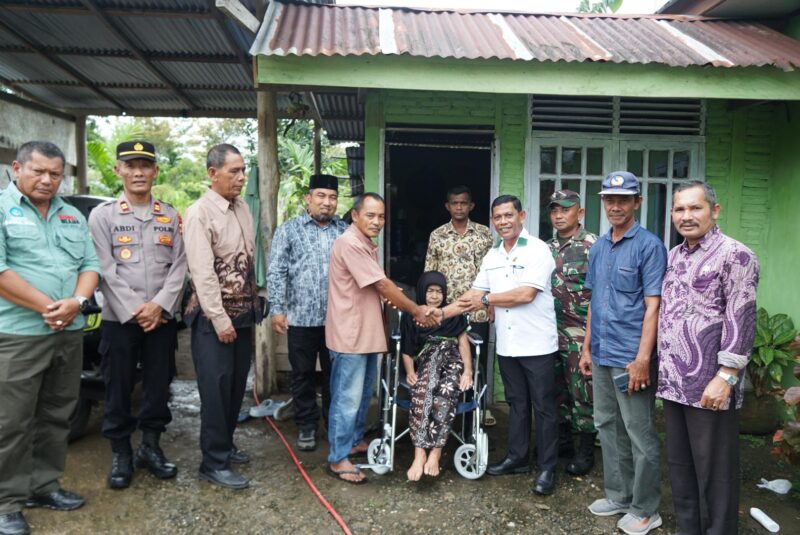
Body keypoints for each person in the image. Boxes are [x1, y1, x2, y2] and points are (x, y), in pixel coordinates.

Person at [0, 141, 100, 535]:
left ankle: (43, 486)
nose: (47, 180)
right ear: (17, 167)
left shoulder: (72, 216)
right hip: (20, 335)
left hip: (68, 332)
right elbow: (2, 273)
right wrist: (49, 307)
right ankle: (7, 501)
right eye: (38, 171)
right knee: (11, 421)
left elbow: (90, 265)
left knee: (57, 413)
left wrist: (77, 301)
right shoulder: (2, 211)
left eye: (55, 174)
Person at [657, 181, 758, 535]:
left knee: (715, 473)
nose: (686, 216)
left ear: (714, 211)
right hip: (674, 383)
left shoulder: (736, 255)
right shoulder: (674, 255)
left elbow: (741, 318)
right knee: (681, 466)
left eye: (695, 208)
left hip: (710, 386)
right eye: (679, 209)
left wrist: (726, 377)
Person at [89, 141, 187, 490]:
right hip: (120, 320)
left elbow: (180, 267)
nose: (138, 172)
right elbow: (105, 269)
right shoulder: (103, 216)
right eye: (130, 165)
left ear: (155, 171)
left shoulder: (171, 215)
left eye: (145, 165)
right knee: (118, 386)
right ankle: (121, 453)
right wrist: (137, 310)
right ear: (118, 170)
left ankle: (150, 447)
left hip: (161, 319)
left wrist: (160, 306)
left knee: (159, 385)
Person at [325, 192, 439, 484]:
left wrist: (391, 297)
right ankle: (338, 458)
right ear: (355, 215)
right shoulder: (350, 243)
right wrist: (415, 309)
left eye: (381, 216)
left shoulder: (366, 245)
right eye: (370, 215)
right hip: (350, 334)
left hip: (365, 332)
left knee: (363, 394)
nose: (377, 222)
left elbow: (378, 287)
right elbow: (381, 284)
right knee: (346, 399)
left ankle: (352, 442)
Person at [452, 194, 559, 496]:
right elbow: (474, 292)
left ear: (521, 216)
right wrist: (438, 313)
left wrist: (486, 300)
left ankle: (548, 467)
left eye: (508, 215)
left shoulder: (539, 250)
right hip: (508, 346)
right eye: (497, 217)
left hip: (537, 344)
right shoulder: (493, 256)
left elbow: (525, 295)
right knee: (517, 404)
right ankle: (517, 458)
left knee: (545, 408)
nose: (503, 222)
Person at [578, 171, 667, 535]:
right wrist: (586, 348)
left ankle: (646, 509)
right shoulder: (598, 247)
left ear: (637, 203)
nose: (616, 206)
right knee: (607, 425)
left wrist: (643, 358)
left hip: (631, 355)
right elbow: (593, 303)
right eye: (610, 200)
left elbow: (654, 306)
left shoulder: (649, 246)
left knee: (639, 432)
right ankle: (619, 495)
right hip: (600, 351)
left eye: (624, 199)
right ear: (604, 203)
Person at [183, 144, 261, 490]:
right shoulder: (200, 213)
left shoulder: (242, 208)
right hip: (213, 321)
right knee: (215, 390)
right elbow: (202, 273)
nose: (241, 178)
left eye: (243, 170)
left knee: (234, 388)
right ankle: (212, 463)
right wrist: (219, 319)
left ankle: (226, 445)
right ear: (212, 174)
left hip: (242, 316)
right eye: (234, 171)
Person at [267, 174, 348, 452]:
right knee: (301, 375)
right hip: (301, 318)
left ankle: (333, 426)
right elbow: (277, 271)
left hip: (336, 320)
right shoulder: (289, 230)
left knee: (333, 376)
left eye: (332, 197)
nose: (327, 202)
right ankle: (306, 426)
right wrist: (276, 309)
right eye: (321, 196)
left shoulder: (345, 231)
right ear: (308, 199)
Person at [424, 185, 494, 425]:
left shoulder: (484, 234)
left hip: (478, 311)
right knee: (446, 359)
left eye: (464, 202)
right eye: (455, 203)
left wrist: (492, 302)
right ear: (448, 206)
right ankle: (447, 408)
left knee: (477, 359)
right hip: (447, 312)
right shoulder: (437, 235)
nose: (459, 207)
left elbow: (493, 272)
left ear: (471, 205)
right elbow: (429, 273)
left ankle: (479, 410)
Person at [401, 271, 473, 481]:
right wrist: (410, 371)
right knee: (423, 394)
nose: (434, 296)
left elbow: (462, 342)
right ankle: (419, 452)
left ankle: (436, 452)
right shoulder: (412, 315)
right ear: (423, 292)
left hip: (452, 359)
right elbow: (406, 348)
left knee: (445, 396)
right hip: (427, 358)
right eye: (430, 291)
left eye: (438, 292)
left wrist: (468, 370)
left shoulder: (451, 314)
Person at [546, 189, 598, 476]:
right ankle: (562, 441)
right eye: (554, 210)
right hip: (549, 334)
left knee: (583, 393)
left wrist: (590, 343)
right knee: (556, 391)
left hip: (580, 334)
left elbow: (600, 297)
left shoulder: (594, 246)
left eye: (565, 210)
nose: (558, 215)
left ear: (579, 213)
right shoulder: (545, 247)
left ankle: (586, 450)